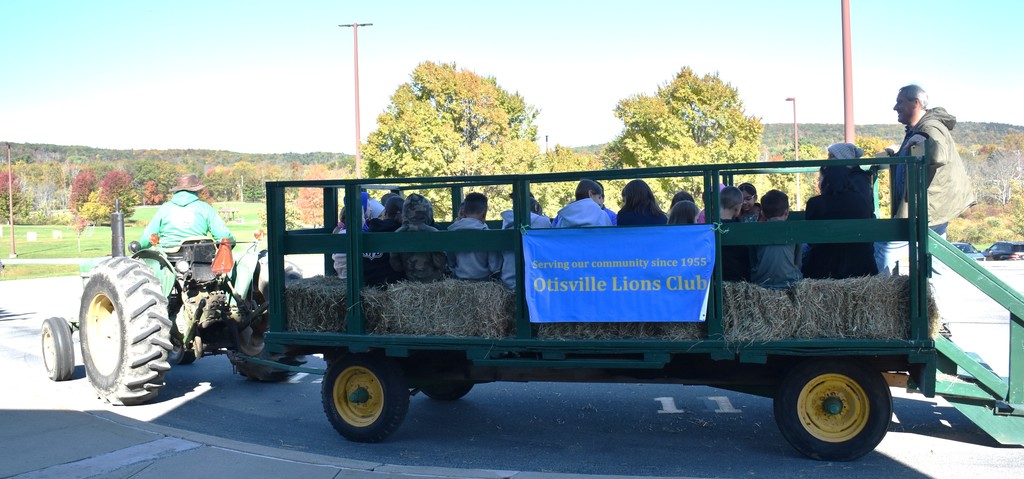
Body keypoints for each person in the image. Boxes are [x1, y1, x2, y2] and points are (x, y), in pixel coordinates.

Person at [875, 84, 976, 275]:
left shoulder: (929, 127)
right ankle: (931, 302)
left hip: (927, 208)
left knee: (883, 251)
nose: (895, 107)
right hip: (932, 207)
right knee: (933, 261)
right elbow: (915, 155)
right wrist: (896, 155)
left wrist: (926, 145)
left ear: (916, 103)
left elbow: (939, 154)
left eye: (900, 102)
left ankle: (884, 299)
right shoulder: (917, 128)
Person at [803, 166, 879, 279]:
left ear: (827, 180)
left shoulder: (815, 203)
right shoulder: (862, 201)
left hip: (822, 268)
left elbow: (809, 239)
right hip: (862, 267)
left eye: (820, 179)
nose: (818, 182)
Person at [139, 174, 234, 249]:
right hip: (200, 258)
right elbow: (223, 235)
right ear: (196, 190)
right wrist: (231, 242)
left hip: (167, 259)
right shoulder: (205, 208)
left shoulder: (164, 209)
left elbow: (147, 238)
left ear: (177, 191)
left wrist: (141, 246)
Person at [389, 194, 448, 282]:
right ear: (428, 211)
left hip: (409, 282)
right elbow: (440, 263)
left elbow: (396, 266)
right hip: (435, 282)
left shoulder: (398, 233)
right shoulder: (433, 232)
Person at [750, 190, 802, 289]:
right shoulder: (794, 231)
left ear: (762, 213)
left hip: (760, 282)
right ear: (786, 212)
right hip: (790, 282)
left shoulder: (756, 231)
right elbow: (798, 263)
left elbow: (753, 261)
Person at [446, 192, 503, 281]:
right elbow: (494, 266)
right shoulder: (488, 234)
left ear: (463, 212)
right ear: (484, 214)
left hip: (459, 279)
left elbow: (451, 262)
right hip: (483, 280)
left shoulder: (451, 231)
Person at [500, 196, 552, 288]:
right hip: (537, 282)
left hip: (510, 281)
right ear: (535, 208)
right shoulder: (543, 221)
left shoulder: (506, 222)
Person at [361, 195, 405, 287]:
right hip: (391, 284)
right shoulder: (401, 232)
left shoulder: (370, 229)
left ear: (385, 212)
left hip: (366, 282)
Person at [825, 142, 873, 209]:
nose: (828, 160)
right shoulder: (855, 177)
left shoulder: (858, 180)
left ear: (843, 158)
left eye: (832, 156)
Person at [718, 186, 751, 281]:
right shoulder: (740, 228)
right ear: (737, 207)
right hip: (737, 278)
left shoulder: (712, 225)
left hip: (716, 277)